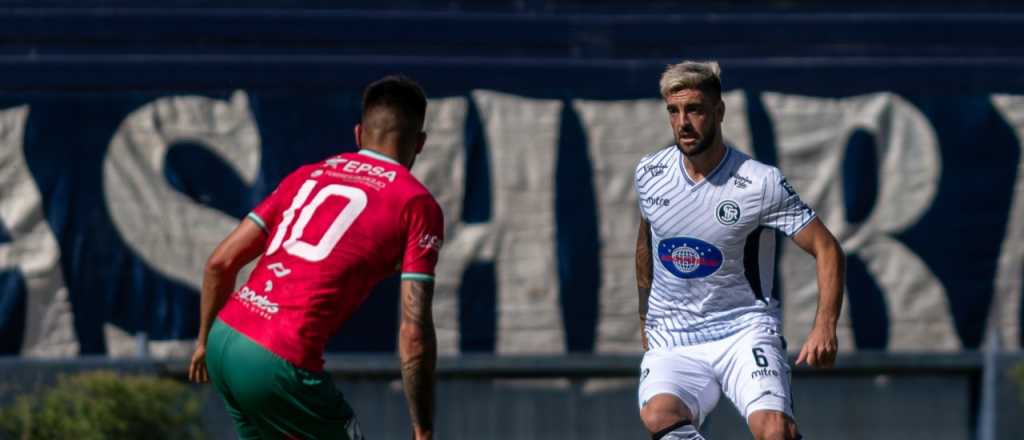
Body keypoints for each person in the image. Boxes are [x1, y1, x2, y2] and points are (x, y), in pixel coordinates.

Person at [188, 75, 443, 440]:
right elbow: (414, 332)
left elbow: (220, 263)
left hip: (225, 339)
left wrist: (202, 342)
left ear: (358, 134)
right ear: (419, 144)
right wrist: (423, 427)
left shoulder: (305, 176)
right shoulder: (416, 204)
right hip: (278, 359)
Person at [634, 61, 844, 440]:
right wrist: (644, 314)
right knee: (659, 414)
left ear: (719, 112)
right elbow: (647, 239)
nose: (683, 122)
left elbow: (827, 248)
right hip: (675, 335)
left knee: (774, 430)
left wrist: (825, 324)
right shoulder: (650, 173)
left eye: (694, 110)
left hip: (742, 330)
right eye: (674, 111)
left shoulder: (759, 183)